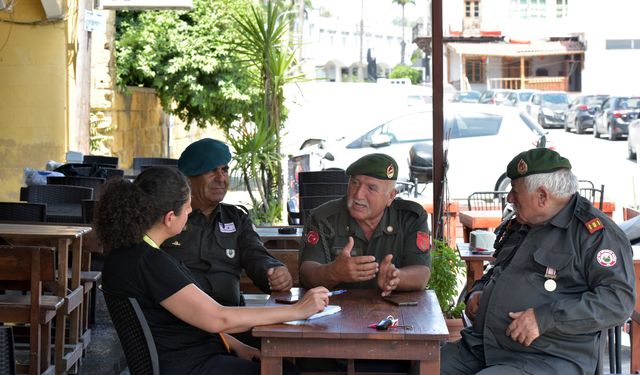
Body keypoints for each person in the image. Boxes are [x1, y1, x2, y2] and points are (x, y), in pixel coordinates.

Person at [97, 166, 329, 375]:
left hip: (187, 356)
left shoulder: (129, 253)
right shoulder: (149, 262)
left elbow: (178, 320)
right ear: (170, 218)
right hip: (188, 366)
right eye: (187, 208)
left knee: (283, 367)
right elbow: (219, 317)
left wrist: (235, 345)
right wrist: (299, 310)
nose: (189, 213)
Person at [440, 148, 636, 375]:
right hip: (483, 347)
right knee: (421, 366)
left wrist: (543, 319)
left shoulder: (595, 235)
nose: (509, 198)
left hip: (545, 359)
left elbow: (617, 302)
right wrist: (478, 292)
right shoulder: (523, 222)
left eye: (515, 191)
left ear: (542, 196)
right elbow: (498, 269)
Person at [161, 138, 293, 307]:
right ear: (188, 179)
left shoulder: (236, 218)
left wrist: (273, 271)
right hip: (180, 321)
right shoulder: (169, 218)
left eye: (224, 170)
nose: (221, 178)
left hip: (231, 318)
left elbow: (254, 253)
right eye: (211, 171)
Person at [299, 153, 431, 295]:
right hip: (336, 311)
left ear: (391, 196)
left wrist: (396, 278)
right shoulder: (323, 218)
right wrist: (334, 272)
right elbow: (306, 274)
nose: (358, 195)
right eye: (355, 183)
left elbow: (422, 273)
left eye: (371, 188)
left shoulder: (410, 218)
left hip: (395, 312)